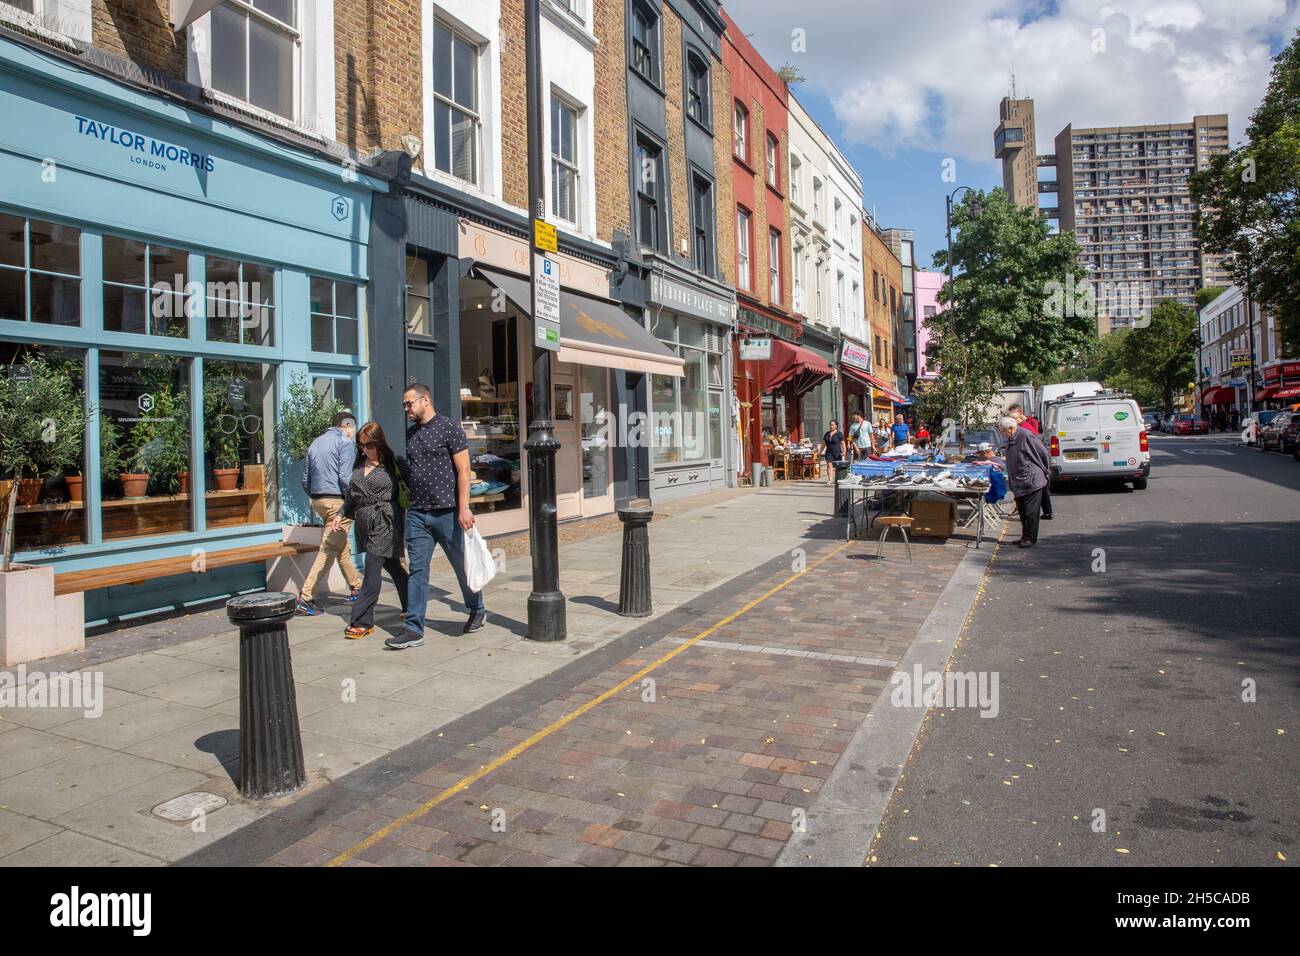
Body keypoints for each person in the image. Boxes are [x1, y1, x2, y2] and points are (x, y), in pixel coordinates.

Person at [387, 383, 485, 650]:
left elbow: (464, 469)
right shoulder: (411, 434)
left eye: (409, 403)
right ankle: (413, 629)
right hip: (418, 514)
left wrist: (464, 507)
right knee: (418, 570)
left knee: (460, 565)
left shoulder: (450, 427)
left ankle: (477, 607)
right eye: (404, 405)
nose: (406, 409)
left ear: (425, 400)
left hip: (448, 512)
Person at [335, 422, 409, 639]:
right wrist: (340, 514)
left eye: (368, 445)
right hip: (365, 525)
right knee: (392, 565)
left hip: (387, 522)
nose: (364, 450)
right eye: (361, 446)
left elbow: (413, 483)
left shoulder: (392, 464)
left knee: (371, 569)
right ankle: (410, 603)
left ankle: (362, 620)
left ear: (378, 443)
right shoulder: (360, 463)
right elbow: (352, 494)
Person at [297, 412, 363, 615]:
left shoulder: (315, 443)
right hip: (337, 502)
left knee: (340, 546)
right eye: (353, 427)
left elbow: (305, 479)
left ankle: (357, 586)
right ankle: (306, 597)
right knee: (328, 550)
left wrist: (316, 497)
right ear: (348, 425)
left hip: (318, 500)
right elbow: (345, 478)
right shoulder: (345, 443)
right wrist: (352, 500)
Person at [1000, 416, 1050, 548]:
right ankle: (1024, 536)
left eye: (1004, 431)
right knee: (1022, 510)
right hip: (1019, 481)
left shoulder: (1026, 436)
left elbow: (1043, 453)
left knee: (1031, 511)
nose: (1003, 434)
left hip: (1031, 479)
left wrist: (1045, 470)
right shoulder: (1012, 438)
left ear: (1011, 428)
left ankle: (1030, 538)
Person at [1008, 403, 1053, 520]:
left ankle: (1046, 512)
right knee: (1042, 489)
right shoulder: (1019, 426)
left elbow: (1035, 439)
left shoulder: (1027, 426)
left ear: (1020, 414)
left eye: (1013, 418)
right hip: (1033, 464)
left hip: (1034, 463)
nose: (1011, 421)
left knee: (1041, 489)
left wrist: (1045, 468)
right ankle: (1047, 512)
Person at [821, 420, 846, 485]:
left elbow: (843, 443)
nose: (831, 426)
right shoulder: (826, 434)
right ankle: (830, 480)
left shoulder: (839, 434)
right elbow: (823, 443)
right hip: (829, 452)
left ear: (836, 426)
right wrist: (820, 451)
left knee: (837, 467)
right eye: (830, 425)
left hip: (837, 452)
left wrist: (844, 451)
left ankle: (838, 479)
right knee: (829, 465)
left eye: (832, 425)